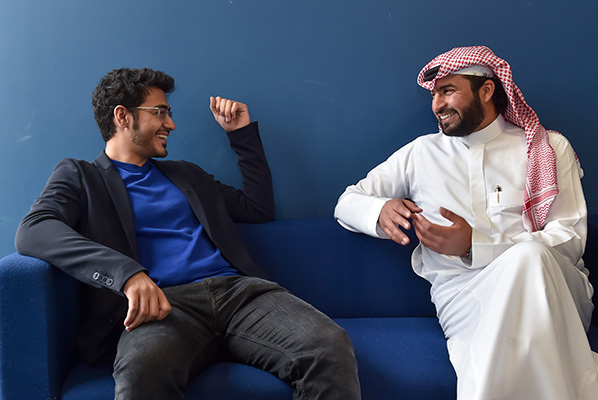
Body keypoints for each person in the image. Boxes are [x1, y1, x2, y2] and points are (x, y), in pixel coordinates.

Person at [16, 68, 360, 400]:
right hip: (164, 307)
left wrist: (239, 134)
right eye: (160, 112)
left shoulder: (185, 174)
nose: (171, 124)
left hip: (240, 295)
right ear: (123, 116)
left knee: (328, 346)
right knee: (142, 371)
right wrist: (126, 274)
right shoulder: (80, 175)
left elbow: (258, 209)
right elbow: (34, 230)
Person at [334, 46, 598, 399]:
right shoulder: (421, 153)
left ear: (487, 91)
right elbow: (346, 202)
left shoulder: (547, 148)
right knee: (526, 260)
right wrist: (379, 210)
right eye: (434, 94)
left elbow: (568, 239)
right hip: (463, 297)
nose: (436, 105)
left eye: (448, 90)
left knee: (529, 258)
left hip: (553, 291)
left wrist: (475, 246)